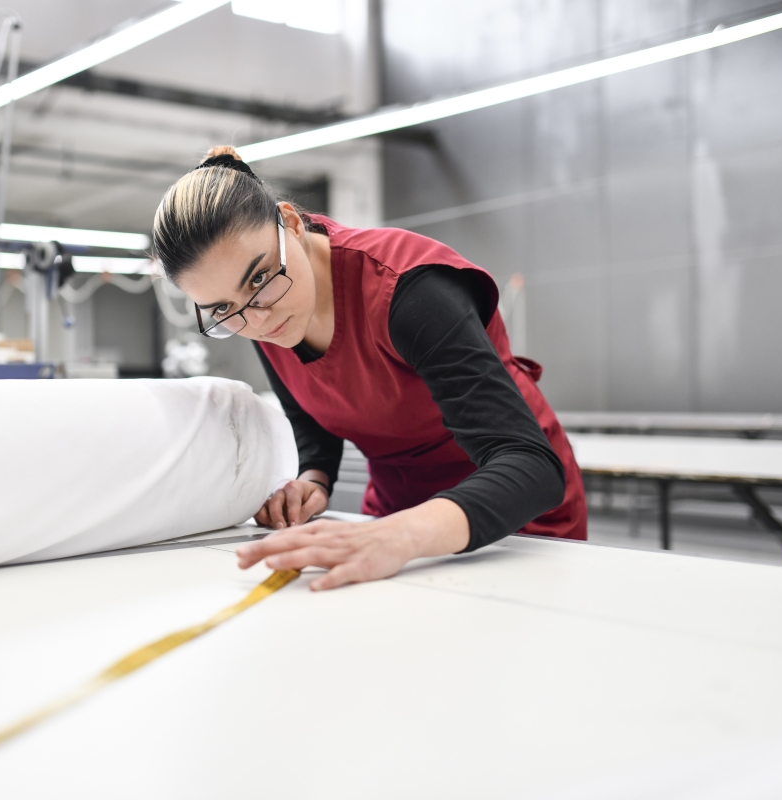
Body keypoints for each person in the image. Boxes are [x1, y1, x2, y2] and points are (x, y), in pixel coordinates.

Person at [151, 146, 587, 591]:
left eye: (259, 278)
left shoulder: (409, 290)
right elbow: (311, 414)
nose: (257, 321)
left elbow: (531, 466)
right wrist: (313, 479)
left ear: (293, 223)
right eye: (224, 308)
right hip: (397, 517)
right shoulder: (266, 312)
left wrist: (401, 535)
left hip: (512, 513)